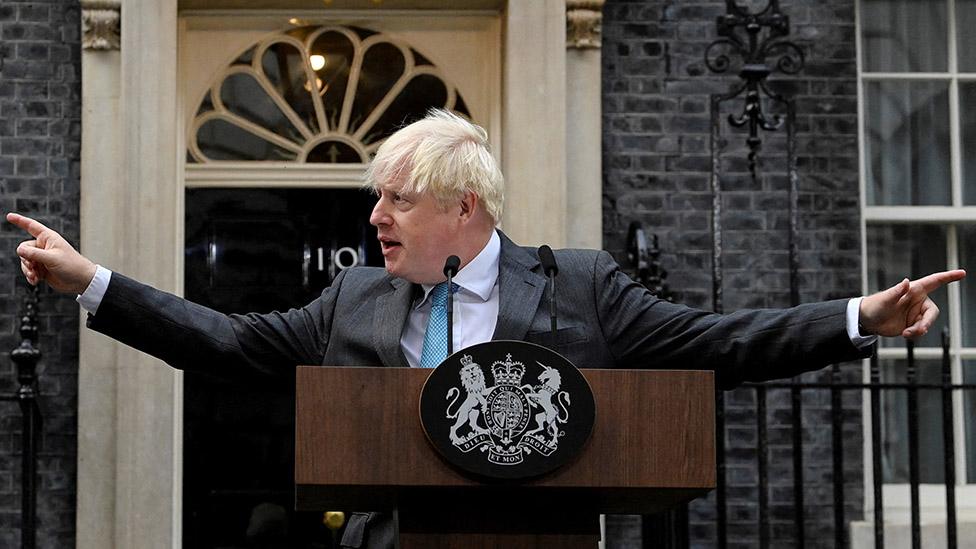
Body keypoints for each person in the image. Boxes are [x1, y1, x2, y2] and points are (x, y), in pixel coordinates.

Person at [5, 110, 966, 548]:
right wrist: (92, 281)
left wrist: (857, 317)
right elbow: (226, 344)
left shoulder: (584, 288)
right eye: (374, 198)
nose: (374, 218)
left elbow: (716, 342)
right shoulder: (355, 302)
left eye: (395, 199)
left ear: (465, 208)